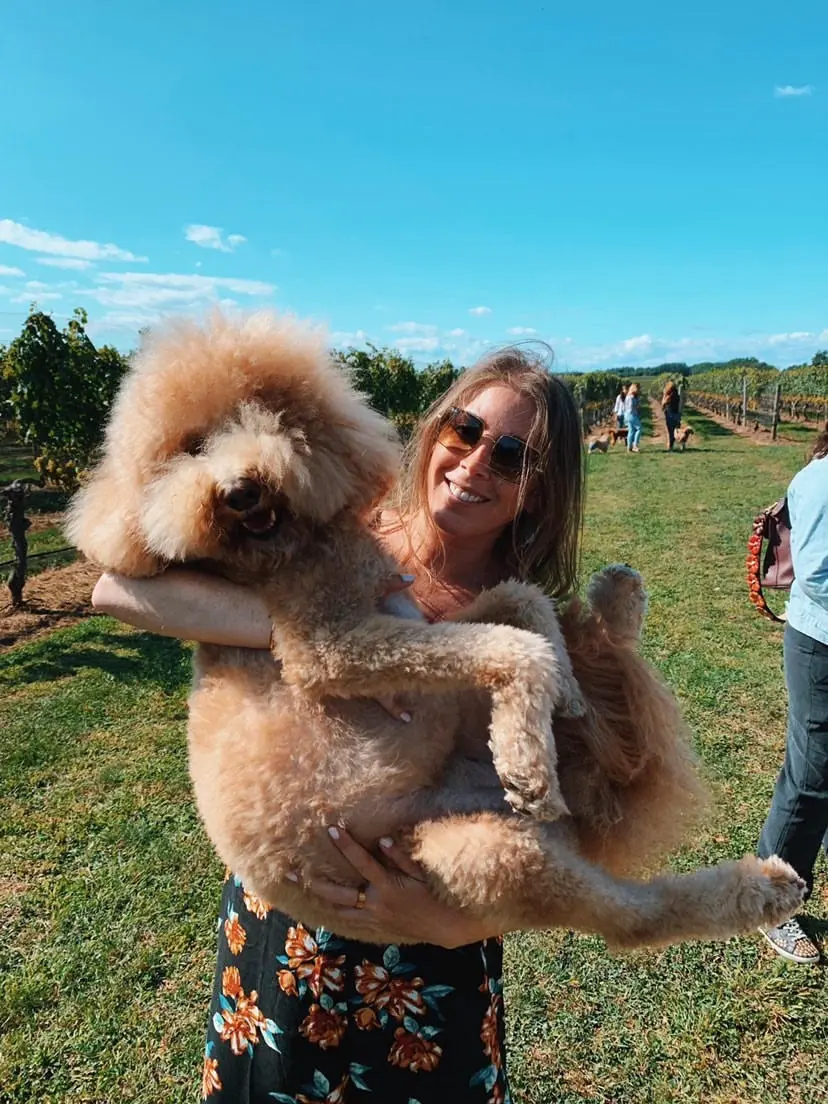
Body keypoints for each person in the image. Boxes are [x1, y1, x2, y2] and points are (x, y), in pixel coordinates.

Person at [92, 346, 585, 1103]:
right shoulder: (333, 532)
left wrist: (447, 925)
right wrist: (321, 637)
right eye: (465, 429)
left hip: (429, 951)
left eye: (514, 456)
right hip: (287, 928)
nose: (475, 462)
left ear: (543, 492)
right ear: (434, 434)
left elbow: (568, 825)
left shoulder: (548, 631)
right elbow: (116, 588)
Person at [757, 423, 828, 965]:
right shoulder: (822, 479)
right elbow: (817, 575)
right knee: (811, 779)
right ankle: (772, 901)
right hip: (819, 645)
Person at [661, 381, 682, 451]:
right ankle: (678, 445)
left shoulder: (669, 395)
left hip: (670, 414)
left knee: (670, 431)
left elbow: (663, 403)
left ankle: (670, 446)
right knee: (675, 430)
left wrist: (664, 394)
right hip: (677, 414)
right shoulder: (677, 394)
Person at [623, 383, 642, 453]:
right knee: (639, 428)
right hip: (632, 415)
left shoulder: (627, 397)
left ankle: (629, 447)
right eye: (638, 389)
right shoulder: (632, 398)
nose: (639, 391)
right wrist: (637, 407)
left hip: (627, 416)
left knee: (631, 431)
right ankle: (635, 445)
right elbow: (632, 408)